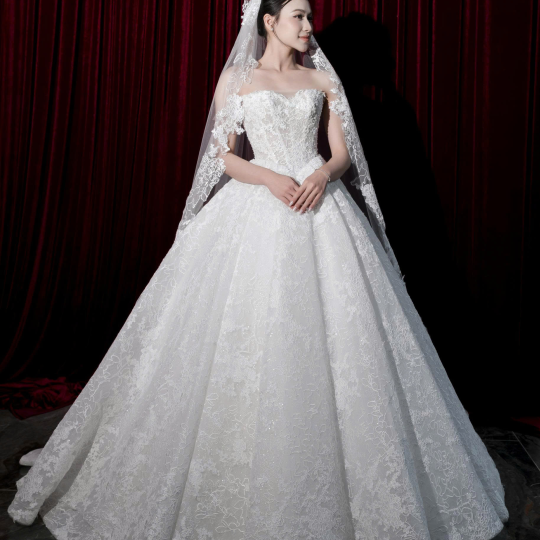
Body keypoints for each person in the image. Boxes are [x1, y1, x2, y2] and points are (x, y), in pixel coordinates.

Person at [8, 0, 509, 538]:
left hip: (321, 206)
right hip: (255, 205)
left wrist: (323, 175)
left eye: (310, 17)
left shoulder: (323, 80)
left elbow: (343, 154)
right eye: (299, 16)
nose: (309, 26)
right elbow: (223, 156)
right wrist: (269, 177)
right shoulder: (236, 80)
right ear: (268, 22)